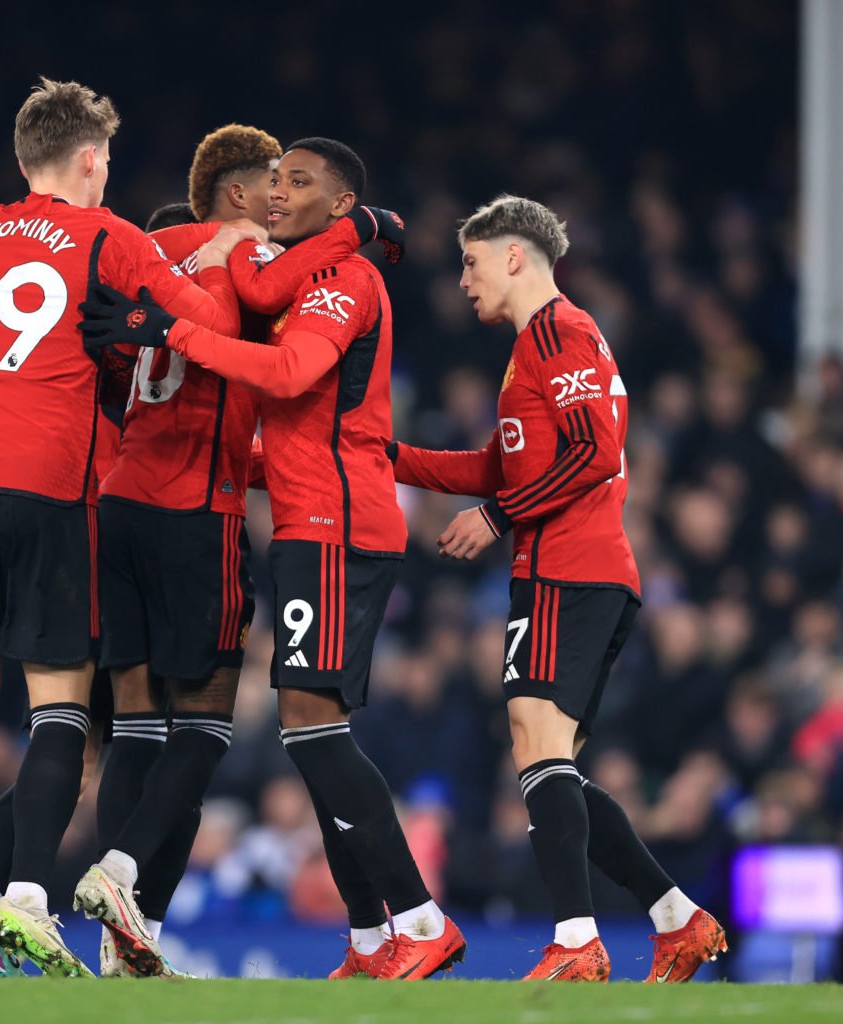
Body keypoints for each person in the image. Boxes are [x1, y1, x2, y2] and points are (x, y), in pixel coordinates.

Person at [79, 138, 464, 981]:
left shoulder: (343, 280)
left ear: (340, 203)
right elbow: (269, 337)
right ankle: (369, 940)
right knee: (311, 733)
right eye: (273, 182)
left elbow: (289, 376)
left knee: (312, 731)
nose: (279, 197)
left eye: (299, 184)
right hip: (303, 518)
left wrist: (171, 321)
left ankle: (424, 919)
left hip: (333, 525)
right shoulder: (285, 277)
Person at [0, 76, 253, 980]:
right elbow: (206, 321)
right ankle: (29, 898)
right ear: (91, 160)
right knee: (61, 702)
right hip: (47, 484)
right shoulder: (105, 234)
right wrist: (214, 251)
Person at [388, 194, 727, 982]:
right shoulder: (534, 348)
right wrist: (390, 456)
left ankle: (577, 940)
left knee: (537, 749)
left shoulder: (560, 333)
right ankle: (677, 919)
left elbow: (594, 453)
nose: (464, 280)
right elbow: (503, 465)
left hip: (570, 568)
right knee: (551, 767)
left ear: (514, 255)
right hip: (574, 570)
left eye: (472, 262)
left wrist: (498, 515)